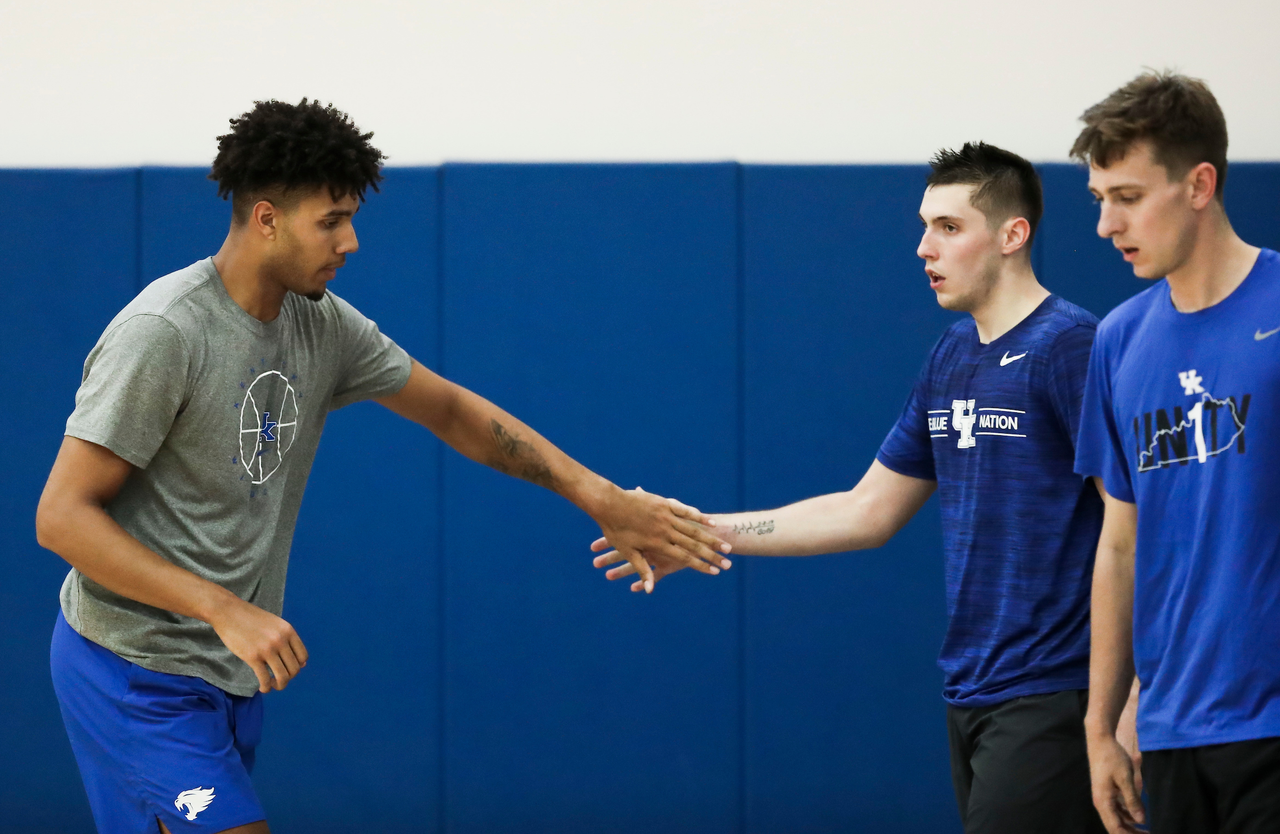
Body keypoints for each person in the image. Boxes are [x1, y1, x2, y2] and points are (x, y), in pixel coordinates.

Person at [35, 98, 731, 834]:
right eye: (330, 220)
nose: (352, 241)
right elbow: (61, 517)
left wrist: (601, 497)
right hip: (131, 669)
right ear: (267, 218)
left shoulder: (322, 324)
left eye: (351, 218)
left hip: (227, 674)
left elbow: (455, 412)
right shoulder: (165, 330)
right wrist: (222, 606)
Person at [596, 142, 1116, 833]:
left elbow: (1135, 525)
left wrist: (1121, 701)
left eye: (949, 227)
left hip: (1054, 691)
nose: (924, 247)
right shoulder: (952, 354)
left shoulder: (1071, 346)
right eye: (925, 225)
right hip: (969, 689)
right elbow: (865, 510)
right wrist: (697, 531)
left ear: (1013, 235)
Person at [1072, 71, 1280, 834]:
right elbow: (1119, 545)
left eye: (1126, 197)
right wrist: (1102, 727)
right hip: (1170, 734)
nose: (1105, 224)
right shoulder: (1118, 340)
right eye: (1099, 200)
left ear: (1199, 184)